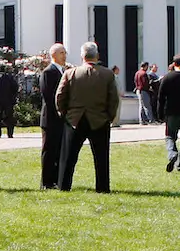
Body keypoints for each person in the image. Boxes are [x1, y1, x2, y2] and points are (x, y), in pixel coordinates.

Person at [56, 41, 120, 193]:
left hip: (75, 119)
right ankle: (102, 187)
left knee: (68, 157)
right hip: (99, 119)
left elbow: (60, 96)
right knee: (101, 157)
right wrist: (109, 117)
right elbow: (113, 99)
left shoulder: (70, 73)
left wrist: (64, 113)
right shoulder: (107, 74)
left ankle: (64, 186)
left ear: (82, 56)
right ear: (97, 56)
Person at [38, 43, 67, 189]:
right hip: (50, 119)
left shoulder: (62, 72)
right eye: (62, 53)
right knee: (49, 151)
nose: (65, 55)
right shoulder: (48, 72)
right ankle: (46, 182)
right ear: (54, 55)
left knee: (58, 151)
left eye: (65, 52)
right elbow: (49, 97)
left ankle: (56, 180)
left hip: (60, 119)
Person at [0, 62, 19, 137]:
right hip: (8, 101)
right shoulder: (10, 78)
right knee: (9, 117)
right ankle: (10, 133)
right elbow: (15, 88)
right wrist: (13, 97)